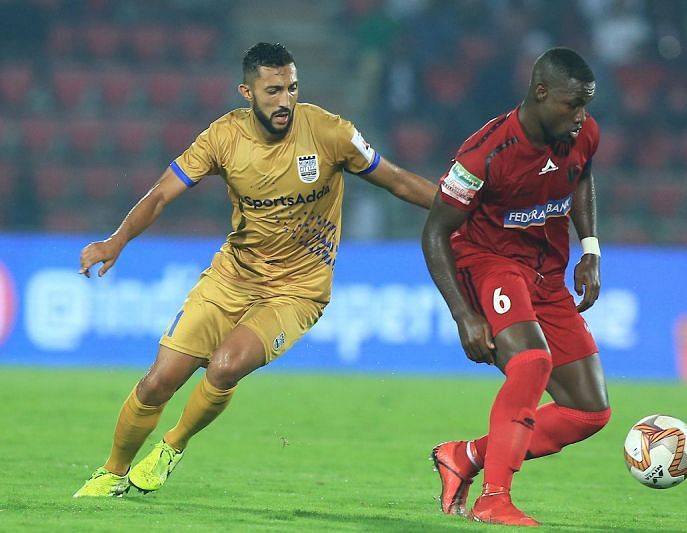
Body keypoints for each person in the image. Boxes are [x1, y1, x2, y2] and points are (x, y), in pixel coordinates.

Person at [73, 42, 436, 498]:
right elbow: (162, 193)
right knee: (157, 382)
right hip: (232, 277)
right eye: (273, 90)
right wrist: (117, 240)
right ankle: (112, 472)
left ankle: (172, 446)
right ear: (247, 92)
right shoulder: (222, 138)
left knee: (224, 367)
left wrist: (461, 207)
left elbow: (398, 180)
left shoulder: (330, 133)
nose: (285, 100)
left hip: (297, 290)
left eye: (292, 88)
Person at [422, 47, 611, 526]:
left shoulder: (582, 133)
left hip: (547, 273)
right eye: (573, 104)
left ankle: (464, 456)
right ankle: (493, 499)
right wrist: (464, 314)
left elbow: (582, 175)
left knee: (589, 411)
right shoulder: (485, 152)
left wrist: (589, 248)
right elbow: (434, 232)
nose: (582, 117)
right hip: (490, 262)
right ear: (540, 92)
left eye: (587, 104)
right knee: (531, 363)